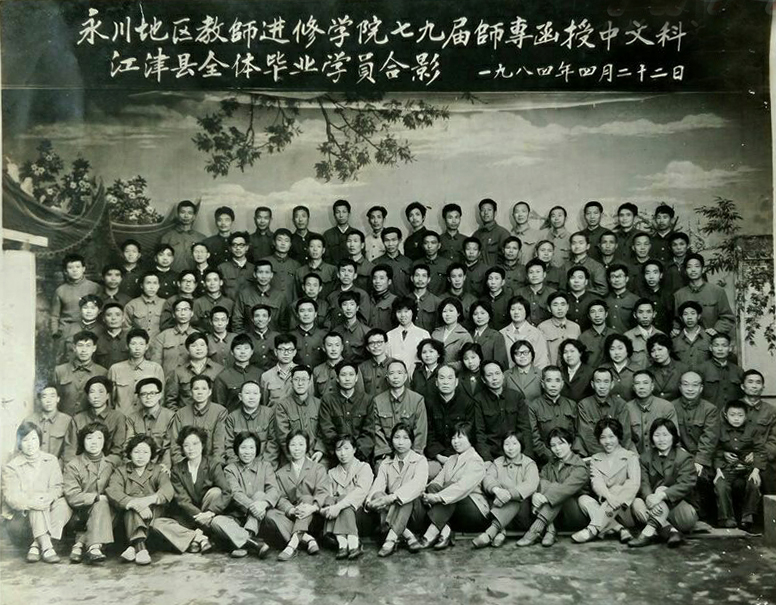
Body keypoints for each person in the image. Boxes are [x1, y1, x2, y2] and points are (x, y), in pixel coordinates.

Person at [105, 435, 183, 565]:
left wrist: (145, 502)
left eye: (145, 452)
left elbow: (167, 490)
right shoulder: (121, 471)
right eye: (136, 452)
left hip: (154, 513)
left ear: (151, 454)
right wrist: (134, 504)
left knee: (135, 509)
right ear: (130, 453)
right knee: (131, 510)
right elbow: (113, 491)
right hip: (129, 517)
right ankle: (140, 548)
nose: (140, 456)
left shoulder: (158, 470)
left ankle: (133, 547)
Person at [2, 422, 72, 564]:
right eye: (25, 440)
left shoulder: (51, 460)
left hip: (46, 511)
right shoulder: (12, 467)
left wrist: (48, 497)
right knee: (35, 504)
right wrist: (32, 503)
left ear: (39, 440)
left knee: (64, 504)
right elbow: (11, 497)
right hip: (22, 521)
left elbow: (58, 487)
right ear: (19, 443)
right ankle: (46, 547)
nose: (30, 444)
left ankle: (36, 544)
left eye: (34, 438)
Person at [629, 418, 699, 548]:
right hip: (653, 507)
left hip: (680, 509)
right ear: (652, 438)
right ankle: (671, 531)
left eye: (665, 435)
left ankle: (649, 531)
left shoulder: (684, 457)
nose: (661, 439)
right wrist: (649, 497)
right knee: (637, 503)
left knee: (661, 490)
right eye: (657, 435)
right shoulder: (645, 458)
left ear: (673, 436)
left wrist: (661, 496)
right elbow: (644, 483)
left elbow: (685, 484)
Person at [419, 422, 488, 549]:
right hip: (453, 509)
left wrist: (436, 498)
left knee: (452, 487)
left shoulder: (476, 461)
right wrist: (427, 493)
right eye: (453, 438)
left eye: (460, 437)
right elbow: (437, 481)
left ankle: (432, 532)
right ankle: (445, 530)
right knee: (432, 487)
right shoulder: (451, 459)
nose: (455, 441)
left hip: (474, 511)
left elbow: (461, 488)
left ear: (470, 438)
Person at [516, 428, 589, 547]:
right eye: (553, 445)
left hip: (573, 513)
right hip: (555, 515)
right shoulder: (551, 464)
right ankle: (551, 530)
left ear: (570, 444)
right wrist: (536, 495)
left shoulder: (579, 466)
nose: (557, 448)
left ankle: (535, 529)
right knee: (545, 483)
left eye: (561, 443)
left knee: (559, 490)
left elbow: (565, 489)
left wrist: (544, 498)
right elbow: (540, 481)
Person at [572, 418, 640, 544]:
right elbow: (596, 482)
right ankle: (619, 529)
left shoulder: (630, 456)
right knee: (583, 499)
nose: (607, 441)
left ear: (618, 437)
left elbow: (633, 484)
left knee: (616, 488)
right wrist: (609, 497)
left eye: (611, 436)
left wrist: (616, 498)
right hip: (605, 504)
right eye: (603, 437)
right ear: (598, 439)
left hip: (623, 509)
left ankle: (592, 529)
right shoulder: (596, 459)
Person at [365, 422, 429, 556]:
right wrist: (370, 501)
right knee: (378, 495)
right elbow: (378, 484)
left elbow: (418, 485)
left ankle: (391, 538)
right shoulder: (386, 463)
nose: (400, 442)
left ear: (411, 441)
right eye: (397, 437)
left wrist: (392, 497)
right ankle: (408, 535)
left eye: (405, 438)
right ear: (391, 440)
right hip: (394, 513)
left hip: (415, 513)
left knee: (405, 499)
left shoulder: (420, 461)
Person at [168, 427, 234, 556]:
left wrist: (210, 512)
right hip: (188, 516)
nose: (191, 449)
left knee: (216, 492)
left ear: (202, 445)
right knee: (159, 523)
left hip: (209, 513)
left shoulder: (213, 465)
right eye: (186, 445)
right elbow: (182, 501)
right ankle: (200, 537)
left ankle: (195, 537)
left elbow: (227, 491)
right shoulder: (176, 470)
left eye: (195, 444)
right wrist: (200, 516)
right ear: (182, 448)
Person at [265, 430, 329, 561]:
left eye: (301, 444)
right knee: (270, 514)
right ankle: (307, 539)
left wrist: (312, 508)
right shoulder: (281, 473)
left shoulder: (318, 468)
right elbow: (280, 498)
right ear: (288, 447)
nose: (297, 448)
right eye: (293, 445)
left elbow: (322, 492)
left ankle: (292, 544)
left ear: (307, 446)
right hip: (292, 517)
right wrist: (291, 510)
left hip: (313, 517)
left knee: (307, 498)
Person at [472, 431, 539, 548]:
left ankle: (491, 533)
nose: (510, 448)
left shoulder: (529, 464)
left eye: (514, 444)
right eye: (507, 444)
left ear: (521, 445)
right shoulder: (497, 462)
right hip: (497, 509)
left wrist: (508, 494)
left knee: (515, 499)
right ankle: (501, 531)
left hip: (522, 515)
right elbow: (488, 478)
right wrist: (496, 490)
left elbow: (531, 484)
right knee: (491, 496)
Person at [62, 422, 115, 564]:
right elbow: (72, 496)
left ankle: (80, 544)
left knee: (105, 506)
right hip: (81, 514)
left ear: (105, 441)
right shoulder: (73, 465)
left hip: (108, 512)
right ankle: (94, 546)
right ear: (82, 441)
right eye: (89, 438)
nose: (94, 442)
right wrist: (96, 498)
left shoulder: (113, 463)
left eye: (99, 438)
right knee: (101, 504)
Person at [222, 431, 278, 558]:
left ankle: (245, 541)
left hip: (260, 519)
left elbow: (274, 489)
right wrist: (254, 507)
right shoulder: (230, 469)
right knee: (216, 521)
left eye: (251, 447)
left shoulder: (265, 466)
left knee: (260, 496)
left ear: (257, 449)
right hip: (237, 517)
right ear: (237, 449)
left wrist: (263, 504)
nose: (247, 452)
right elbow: (235, 493)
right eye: (243, 447)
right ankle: (252, 543)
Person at [672, 371, 719, 520]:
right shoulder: (671, 407)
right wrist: (682, 457)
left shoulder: (710, 409)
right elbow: (671, 434)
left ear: (701, 388)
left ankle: (699, 516)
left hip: (701, 458)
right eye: (686, 385)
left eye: (695, 385)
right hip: (678, 456)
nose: (690, 389)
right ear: (680, 387)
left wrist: (699, 461)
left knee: (700, 477)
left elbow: (709, 438)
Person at [321, 434, 374, 559]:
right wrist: (327, 509)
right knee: (333, 500)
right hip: (337, 518)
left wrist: (338, 506)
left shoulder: (364, 467)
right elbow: (328, 497)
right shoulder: (332, 473)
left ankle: (351, 541)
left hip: (361, 517)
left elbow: (361, 492)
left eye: (346, 448)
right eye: (338, 450)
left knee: (342, 499)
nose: (343, 453)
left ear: (354, 449)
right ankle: (345, 544)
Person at [714, 401, 764, 531]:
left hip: (748, 467)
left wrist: (756, 471)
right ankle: (726, 518)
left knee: (754, 483)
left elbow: (760, 450)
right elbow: (716, 449)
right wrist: (718, 470)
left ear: (746, 416)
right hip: (728, 467)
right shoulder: (720, 429)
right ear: (726, 415)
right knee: (720, 484)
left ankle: (747, 517)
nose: (736, 418)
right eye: (732, 415)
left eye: (740, 415)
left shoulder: (753, 429)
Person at [474, 360, 532, 462]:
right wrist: (487, 460)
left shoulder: (516, 396)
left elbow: (525, 429)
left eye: (497, 373)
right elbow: (479, 434)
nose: (494, 378)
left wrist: (526, 457)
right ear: (483, 379)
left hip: (517, 453)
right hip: (492, 455)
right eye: (489, 375)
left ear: (503, 375)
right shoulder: (478, 400)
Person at [373, 360, 428, 463]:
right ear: (387, 378)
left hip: (411, 452)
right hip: (387, 454)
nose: (395, 377)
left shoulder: (417, 400)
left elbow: (420, 431)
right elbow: (377, 430)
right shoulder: (378, 401)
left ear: (405, 376)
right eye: (391, 373)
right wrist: (385, 453)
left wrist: (414, 454)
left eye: (399, 373)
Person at [318, 361, 374, 462]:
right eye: (343, 375)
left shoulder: (367, 400)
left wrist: (355, 453)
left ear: (356, 378)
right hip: (337, 456)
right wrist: (341, 452)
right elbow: (327, 431)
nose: (347, 379)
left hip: (361, 457)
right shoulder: (328, 400)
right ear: (337, 378)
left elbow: (369, 432)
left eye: (351, 375)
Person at [65, 376, 126, 467]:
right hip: (81, 466)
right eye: (92, 392)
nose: (96, 396)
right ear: (87, 396)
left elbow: (118, 450)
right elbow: (70, 450)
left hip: (109, 466)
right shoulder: (78, 418)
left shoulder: (118, 417)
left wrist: (105, 467)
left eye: (101, 392)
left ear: (108, 396)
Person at [574, 367, 634, 457]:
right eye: (598, 382)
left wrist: (615, 456)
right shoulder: (584, 405)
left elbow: (625, 435)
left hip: (617, 454)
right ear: (592, 384)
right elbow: (587, 436)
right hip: (591, 454)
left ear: (612, 384)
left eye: (606, 382)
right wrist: (603, 457)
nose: (602, 386)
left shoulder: (621, 404)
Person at [169, 375, 228, 465]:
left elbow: (219, 447)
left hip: (211, 465)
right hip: (185, 465)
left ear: (210, 392)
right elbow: (175, 446)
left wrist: (212, 467)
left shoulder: (220, 412)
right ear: (191, 392)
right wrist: (184, 466)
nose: (200, 392)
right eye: (196, 389)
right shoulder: (181, 414)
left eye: (204, 389)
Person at [274, 365, 325, 466]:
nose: (300, 383)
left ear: (310, 382)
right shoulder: (282, 405)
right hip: (291, 457)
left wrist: (320, 450)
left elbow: (324, 431)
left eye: (304, 379)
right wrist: (298, 457)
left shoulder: (319, 404)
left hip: (316, 456)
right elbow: (283, 436)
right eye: (296, 379)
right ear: (291, 382)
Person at [673, 252, 735, 336]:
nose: (693, 270)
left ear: (703, 269)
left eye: (697, 266)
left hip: (712, 339)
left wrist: (716, 330)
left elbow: (727, 317)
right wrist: (676, 330)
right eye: (689, 267)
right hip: (689, 340)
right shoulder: (679, 295)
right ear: (685, 271)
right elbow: (677, 321)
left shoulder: (717, 291)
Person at [527, 366, 578, 466]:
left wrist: (569, 455)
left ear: (562, 384)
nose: (553, 385)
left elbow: (577, 434)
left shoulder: (571, 405)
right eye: (549, 380)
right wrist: (551, 457)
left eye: (557, 380)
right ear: (543, 384)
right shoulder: (534, 406)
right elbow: (534, 438)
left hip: (570, 459)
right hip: (546, 460)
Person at [223, 380, 278, 468]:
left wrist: (262, 467)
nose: (251, 397)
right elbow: (229, 446)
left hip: (264, 466)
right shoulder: (232, 417)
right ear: (240, 396)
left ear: (260, 396)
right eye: (247, 393)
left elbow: (273, 443)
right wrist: (238, 468)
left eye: (255, 393)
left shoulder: (269, 414)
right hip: (239, 468)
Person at [53, 330, 108, 417]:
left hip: (90, 421)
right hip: (65, 421)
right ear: (74, 348)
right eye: (80, 345)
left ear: (94, 348)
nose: (84, 350)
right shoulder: (59, 371)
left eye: (88, 346)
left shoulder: (102, 372)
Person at [165, 332, 224, 411]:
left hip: (213, 416)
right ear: (188, 350)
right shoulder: (178, 372)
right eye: (194, 346)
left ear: (207, 348)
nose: (198, 348)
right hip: (185, 416)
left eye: (202, 345)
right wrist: (179, 416)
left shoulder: (219, 370)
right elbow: (170, 401)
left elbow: (223, 400)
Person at [125, 377, 175, 470]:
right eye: (144, 394)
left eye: (152, 393)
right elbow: (128, 445)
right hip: (137, 464)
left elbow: (169, 447)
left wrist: (165, 466)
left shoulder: (171, 417)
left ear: (160, 395)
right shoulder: (132, 418)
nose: (148, 397)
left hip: (160, 464)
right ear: (138, 397)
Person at [626, 370, 678, 455]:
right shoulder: (626, 408)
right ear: (633, 387)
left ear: (652, 386)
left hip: (662, 455)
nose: (641, 387)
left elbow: (673, 437)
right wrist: (635, 457)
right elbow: (626, 438)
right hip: (635, 456)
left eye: (645, 383)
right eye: (637, 383)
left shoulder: (666, 407)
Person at [50, 253, 101, 338]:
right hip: (66, 331)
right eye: (70, 268)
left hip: (89, 330)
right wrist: (55, 333)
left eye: (78, 267)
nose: (74, 270)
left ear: (83, 269)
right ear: (65, 271)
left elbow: (100, 311)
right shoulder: (60, 290)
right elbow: (55, 316)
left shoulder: (94, 287)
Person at [232, 259, 289, 334]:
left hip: (273, 340)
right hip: (249, 339)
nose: (263, 276)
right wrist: (244, 339)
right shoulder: (244, 294)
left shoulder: (280, 296)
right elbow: (237, 321)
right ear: (254, 274)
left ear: (271, 275)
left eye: (267, 272)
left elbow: (284, 325)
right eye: (260, 272)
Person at [23, 386, 76, 463]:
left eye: (52, 396)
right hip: (32, 466)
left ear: (58, 399)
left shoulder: (67, 421)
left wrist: (55, 467)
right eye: (44, 397)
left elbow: (69, 452)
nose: (48, 400)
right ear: (40, 400)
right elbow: (20, 449)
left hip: (57, 467)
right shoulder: (29, 420)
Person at [212, 334, 264, 412]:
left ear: (252, 352)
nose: (242, 352)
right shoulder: (223, 377)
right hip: (231, 418)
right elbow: (218, 407)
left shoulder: (260, 374)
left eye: (246, 348)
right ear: (232, 352)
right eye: (238, 348)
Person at [150, 298, 197, 377]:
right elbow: (155, 364)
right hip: (167, 381)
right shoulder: (163, 336)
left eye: (186, 309)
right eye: (178, 310)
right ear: (173, 314)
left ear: (192, 313)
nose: (182, 313)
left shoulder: (198, 336)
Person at [500, 296, 550, 370]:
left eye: (520, 309)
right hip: (508, 375)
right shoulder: (502, 333)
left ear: (526, 311)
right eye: (513, 309)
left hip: (531, 375)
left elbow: (541, 361)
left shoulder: (536, 333)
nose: (516, 312)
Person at [386, 297, 431, 378]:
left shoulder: (423, 334)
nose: (403, 315)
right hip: (395, 378)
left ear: (413, 312)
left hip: (417, 376)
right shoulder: (389, 335)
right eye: (399, 312)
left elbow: (428, 358)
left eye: (406, 311)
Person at [160, 200, 205, 273]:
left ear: (194, 217)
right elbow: (162, 259)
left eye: (189, 213)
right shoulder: (167, 237)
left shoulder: (201, 238)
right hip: (173, 276)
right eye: (182, 212)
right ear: (177, 215)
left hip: (195, 277)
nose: (186, 216)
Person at [538, 292, 581, 365]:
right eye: (555, 305)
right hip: (551, 369)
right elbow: (540, 355)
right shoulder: (542, 327)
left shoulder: (576, 327)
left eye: (563, 304)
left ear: (567, 307)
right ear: (549, 308)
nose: (560, 308)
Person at [432, 298, 473, 372]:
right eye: (444, 311)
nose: (447, 314)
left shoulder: (464, 335)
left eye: (451, 311)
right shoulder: (435, 333)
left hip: (455, 374)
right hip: (435, 373)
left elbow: (469, 359)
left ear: (458, 313)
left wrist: (448, 367)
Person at [646, 333, 689, 401]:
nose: (656, 354)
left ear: (669, 349)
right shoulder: (648, 371)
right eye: (653, 351)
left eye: (660, 349)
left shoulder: (683, 369)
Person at [123, 272, 164, 340]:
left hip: (159, 344)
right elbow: (126, 329)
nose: (152, 287)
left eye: (155, 283)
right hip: (138, 344)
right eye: (148, 283)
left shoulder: (165, 304)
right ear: (141, 285)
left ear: (159, 286)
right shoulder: (132, 305)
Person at [637, 259, 675, 334]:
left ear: (661, 275)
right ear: (644, 276)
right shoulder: (639, 295)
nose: (651, 277)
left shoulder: (668, 296)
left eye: (655, 272)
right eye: (647, 273)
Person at [262, 228, 300, 302]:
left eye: (286, 240)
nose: (283, 243)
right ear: (274, 242)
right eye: (279, 240)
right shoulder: (264, 262)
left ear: (290, 244)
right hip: (269, 304)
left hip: (290, 305)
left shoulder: (296, 265)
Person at [469, 300, 509, 369]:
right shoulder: (467, 334)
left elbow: (500, 363)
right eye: (475, 314)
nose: (479, 317)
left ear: (489, 315)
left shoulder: (496, 336)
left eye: (483, 313)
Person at [515, 259, 556, 325]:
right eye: (531, 272)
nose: (534, 275)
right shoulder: (518, 293)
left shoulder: (553, 293)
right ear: (527, 276)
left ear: (544, 274)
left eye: (538, 272)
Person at [672, 301, 712, 368]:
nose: (689, 317)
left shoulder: (709, 337)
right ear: (681, 318)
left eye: (693, 313)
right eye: (685, 314)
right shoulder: (675, 340)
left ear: (699, 316)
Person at [375, 226, 412, 298]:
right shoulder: (376, 263)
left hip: (404, 302)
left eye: (394, 240)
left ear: (400, 240)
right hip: (383, 302)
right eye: (387, 240)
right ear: (382, 241)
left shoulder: (408, 263)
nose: (390, 244)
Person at [472, 198, 510, 266]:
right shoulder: (476, 235)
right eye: (483, 210)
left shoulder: (503, 233)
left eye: (489, 210)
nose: (486, 213)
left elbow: (508, 259)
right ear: (479, 214)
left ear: (495, 213)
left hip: (495, 271)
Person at [218, 232, 255, 301]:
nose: (238, 248)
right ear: (230, 248)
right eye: (234, 245)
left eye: (241, 245)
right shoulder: (222, 268)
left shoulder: (253, 268)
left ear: (247, 247)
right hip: (228, 305)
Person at [579, 299, 614, 369]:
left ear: (606, 314)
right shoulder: (582, 338)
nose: (597, 315)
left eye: (600, 311)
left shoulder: (615, 335)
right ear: (589, 316)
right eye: (593, 312)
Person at [358, 328, 392, 400]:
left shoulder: (397, 365)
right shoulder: (361, 368)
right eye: (372, 343)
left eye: (379, 342)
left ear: (386, 344)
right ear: (367, 347)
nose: (376, 346)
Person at [602, 333, 638, 401]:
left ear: (627, 349)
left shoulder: (638, 369)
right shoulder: (602, 369)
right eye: (612, 349)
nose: (616, 353)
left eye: (620, 348)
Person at [605, 264, 639, 334]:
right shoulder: (604, 300)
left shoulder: (636, 300)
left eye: (620, 276)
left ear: (627, 278)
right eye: (613, 277)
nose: (617, 280)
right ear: (609, 280)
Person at [409, 263, 441, 333]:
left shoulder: (437, 302)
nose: (420, 279)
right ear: (412, 278)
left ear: (428, 279)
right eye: (417, 275)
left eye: (424, 276)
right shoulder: (404, 299)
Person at [323, 199, 357, 265]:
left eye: (344, 212)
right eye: (338, 212)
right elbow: (325, 258)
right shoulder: (327, 234)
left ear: (349, 214)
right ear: (334, 215)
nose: (341, 215)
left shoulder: (357, 234)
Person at [409, 338, 443, 403]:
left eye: (431, 351)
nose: (427, 355)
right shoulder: (416, 372)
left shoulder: (444, 371)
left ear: (438, 354)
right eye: (424, 352)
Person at [565, 266, 597, 331]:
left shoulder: (595, 299)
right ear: (568, 281)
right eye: (572, 278)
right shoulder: (562, 299)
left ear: (586, 281)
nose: (576, 281)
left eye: (580, 278)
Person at [368, 264, 398, 333]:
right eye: (375, 278)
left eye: (381, 278)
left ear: (389, 281)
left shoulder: (395, 300)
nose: (377, 281)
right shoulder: (367, 298)